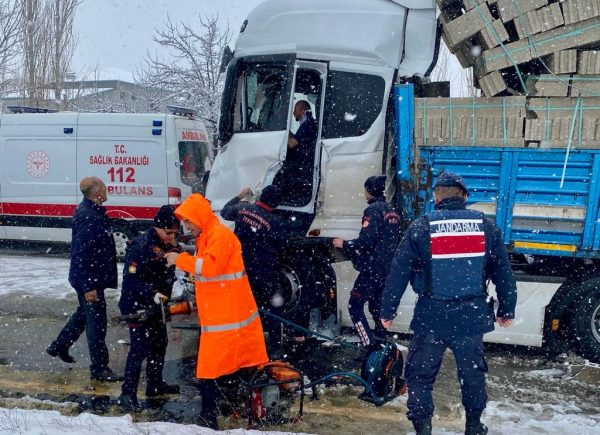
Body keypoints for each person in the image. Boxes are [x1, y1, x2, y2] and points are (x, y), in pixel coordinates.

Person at [380, 172, 517, 435]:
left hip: (432, 316)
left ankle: (423, 430)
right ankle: (474, 427)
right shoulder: (485, 226)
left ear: (435, 197)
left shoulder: (421, 227)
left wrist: (388, 310)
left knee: (420, 377)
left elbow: (398, 272)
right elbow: (503, 271)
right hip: (471, 316)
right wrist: (506, 308)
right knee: (473, 376)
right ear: (464, 197)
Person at [165, 194, 268, 429]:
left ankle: (209, 417)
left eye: (188, 221)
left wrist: (179, 259)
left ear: (200, 218)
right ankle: (231, 410)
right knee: (229, 366)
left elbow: (209, 267)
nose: (186, 226)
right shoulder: (209, 235)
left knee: (210, 369)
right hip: (225, 315)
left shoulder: (218, 236)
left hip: (227, 316)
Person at [46, 176, 123, 382]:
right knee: (97, 325)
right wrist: (89, 286)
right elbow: (83, 254)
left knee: (84, 315)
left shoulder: (92, 212)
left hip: (89, 278)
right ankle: (99, 368)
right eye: (104, 187)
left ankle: (59, 346)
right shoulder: (89, 216)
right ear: (97, 193)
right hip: (89, 280)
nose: (107, 190)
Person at [117, 205, 182, 412]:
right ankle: (127, 393)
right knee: (138, 350)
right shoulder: (140, 245)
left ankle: (154, 384)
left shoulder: (168, 244)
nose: (171, 236)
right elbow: (131, 280)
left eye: (174, 232)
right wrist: (150, 293)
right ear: (157, 227)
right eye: (168, 232)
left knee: (159, 344)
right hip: (137, 305)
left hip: (157, 305)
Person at [332, 175, 400, 347]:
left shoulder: (372, 211)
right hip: (387, 269)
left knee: (354, 306)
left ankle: (368, 344)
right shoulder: (392, 210)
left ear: (370, 191)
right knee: (376, 307)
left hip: (372, 269)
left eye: (365, 189)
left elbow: (366, 241)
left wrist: (345, 244)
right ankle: (381, 343)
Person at [220, 185, 288, 355]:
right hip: (263, 272)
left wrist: (239, 196)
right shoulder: (275, 222)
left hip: (241, 270)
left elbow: (224, 212)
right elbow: (282, 244)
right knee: (274, 308)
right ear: (276, 204)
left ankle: (241, 345)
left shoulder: (243, 208)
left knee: (242, 308)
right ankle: (275, 348)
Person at [274, 100, 318, 204]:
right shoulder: (308, 122)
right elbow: (299, 138)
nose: (293, 113)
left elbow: (292, 144)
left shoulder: (307, 123)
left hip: (302, 161)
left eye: (295, 110)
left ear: (302, 111)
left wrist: (283, 134)